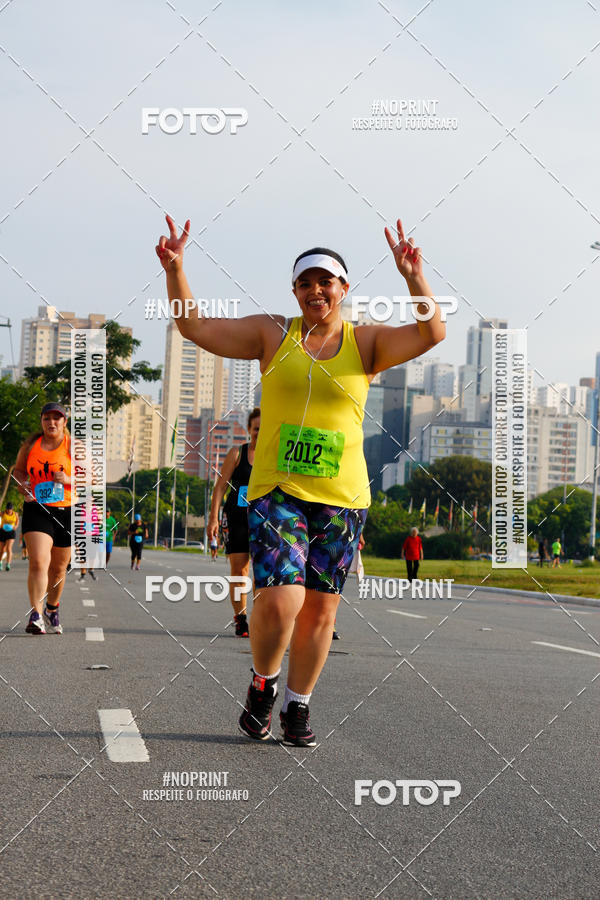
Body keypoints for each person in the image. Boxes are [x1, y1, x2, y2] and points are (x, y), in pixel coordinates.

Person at [156, 213, 445, 747]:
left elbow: (433, 331)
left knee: (321, 609)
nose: (316, 290)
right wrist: (176, 269)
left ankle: (298, 704)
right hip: (278, 491)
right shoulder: (272, 333)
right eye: (306, 282)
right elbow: (195, 327)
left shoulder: (367, 343)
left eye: (326, 281)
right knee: (284, 598)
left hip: (343, 496)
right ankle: (263, 684)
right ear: (294, 291)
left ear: (343, 289)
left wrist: (413, 278)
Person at [12, 402, 72, 634]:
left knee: (58, 569)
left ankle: (51, 608)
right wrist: (23, 486)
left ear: (64, 422)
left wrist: (68, 480)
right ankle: (35, 614)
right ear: (42, 421)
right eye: (47, 418)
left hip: (66, 510)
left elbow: (93, 478)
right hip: (36, 508)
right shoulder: (30, 446)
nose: (52, 422)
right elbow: (18, 472)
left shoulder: (74, 447)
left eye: (57, 418)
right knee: (38, 561)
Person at [208, 408, 260, 637]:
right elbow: (220, 487)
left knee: (262, 574)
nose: (260, 432)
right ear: (249, 429)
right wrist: (213, 518)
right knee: (239, 571)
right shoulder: (237, 454)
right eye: (256, 428)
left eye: (264, 428)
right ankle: (241, 618)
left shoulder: (274, 456)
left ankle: (260, 620)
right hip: (236, 519)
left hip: (263, 521)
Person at [0, 502, 19, 571]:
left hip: (11, 533)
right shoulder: (2, 513)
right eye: (7, 509)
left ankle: (8, 564)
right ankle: (0, 562)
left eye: (10, 509)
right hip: (2, 532)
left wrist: (16, 526)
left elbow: (17, 521)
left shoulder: (15, 514)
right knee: (2, 550)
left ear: (12, 509)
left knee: (8, 548)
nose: (8, 510)